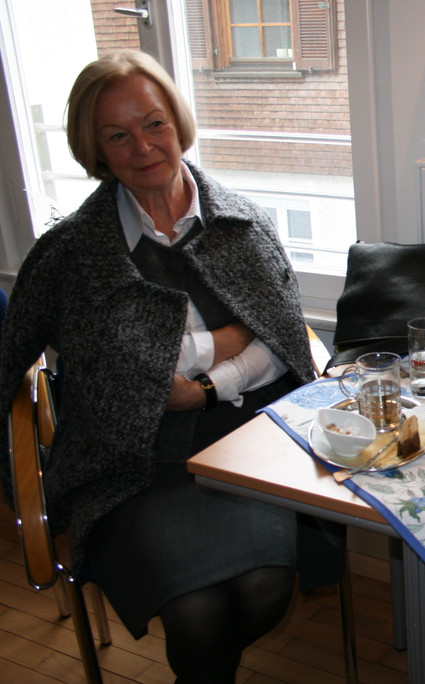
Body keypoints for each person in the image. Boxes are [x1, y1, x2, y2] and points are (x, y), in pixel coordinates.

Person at [0, 50, 342, 683]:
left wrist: (206, 386)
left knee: (265, 592)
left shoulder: (242, 224)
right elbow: (99, 365)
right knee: (196, 614)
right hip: (129, 463)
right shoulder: (70, 253)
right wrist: (228, 338)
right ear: (95, 148)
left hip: (247, 443)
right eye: (117, 135)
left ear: (177, 122)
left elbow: (282, 343)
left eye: (154, 123)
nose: (143, 146)